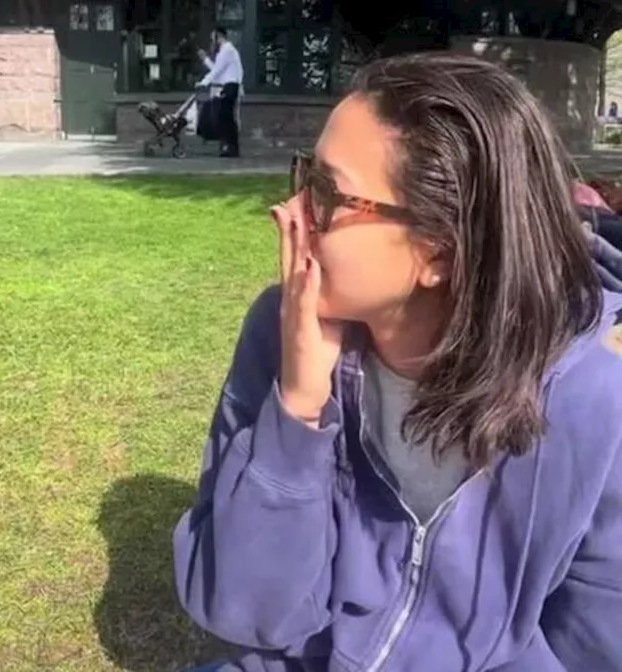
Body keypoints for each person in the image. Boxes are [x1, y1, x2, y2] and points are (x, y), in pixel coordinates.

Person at [173, 52, 622, 672]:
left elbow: (597, 640)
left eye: (327, 193)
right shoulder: (281, 333)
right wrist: (296, 410)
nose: (288, 213)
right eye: (304, 176)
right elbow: (246, 610)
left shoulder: (598, 389)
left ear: (439, 250)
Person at [197, 27, 243, 158]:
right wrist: (205, 60)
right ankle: (229, 148)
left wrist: (203, 83)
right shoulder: (226, 51)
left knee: (226, 118)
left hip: (230, 86)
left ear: (219, 36)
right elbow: (218, 70)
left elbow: (217, 70)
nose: (213, 41)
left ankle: (231, 148)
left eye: (213, 38)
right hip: (228, 86)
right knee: (225, 118)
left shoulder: (227, 50)